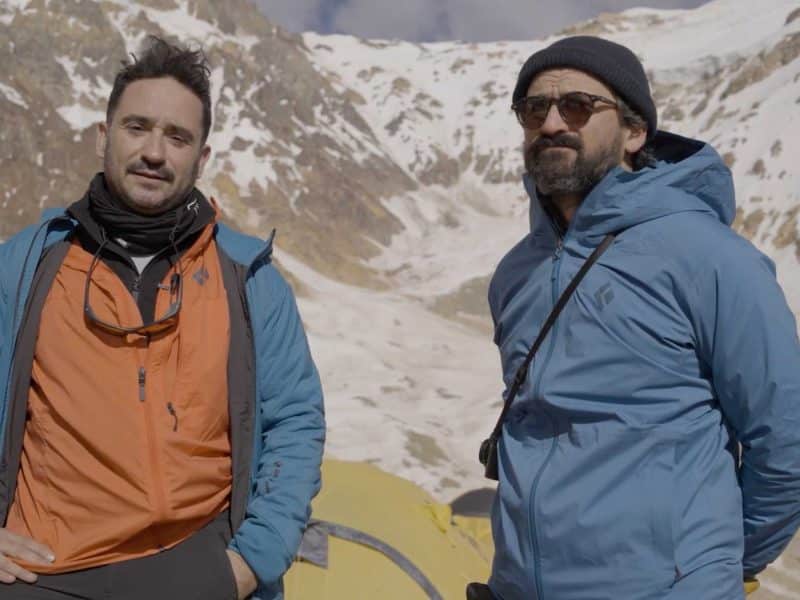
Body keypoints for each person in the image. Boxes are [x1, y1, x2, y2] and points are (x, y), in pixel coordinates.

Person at [0, 36, 325, 599]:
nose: (155, 152)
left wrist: (252, 562)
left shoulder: (249, 279)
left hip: (199, 565)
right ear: (103, 137)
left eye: (177, 137)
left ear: (201, 159)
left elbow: (294, 422)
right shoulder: (24, 265)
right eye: (137, 127)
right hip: (44, 567)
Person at [483, 35, 800, 600]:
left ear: (635, 133)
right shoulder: (516, 274)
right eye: (535, 109)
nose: (552, 123)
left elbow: (786, 435)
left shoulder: (710, 258)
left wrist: (713, 567)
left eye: (578, 106)